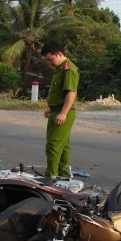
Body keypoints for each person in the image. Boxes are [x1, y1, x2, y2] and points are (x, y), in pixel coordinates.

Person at [41, 42, 79, 179]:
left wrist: (63, 113)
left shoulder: (69, 69)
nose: (49, 63)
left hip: (64, 112)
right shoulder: (59, 69)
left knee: (53, 145)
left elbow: (71, 93)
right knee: (63, 146)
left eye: (50, 59)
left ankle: (51, 176)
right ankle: (64, 175)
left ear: (59, 54)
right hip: (56, 110)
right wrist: (51, 107)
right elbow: (58, 92)